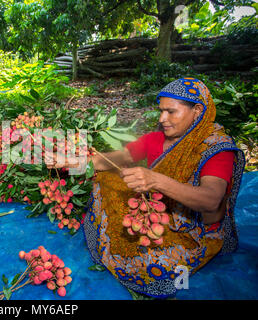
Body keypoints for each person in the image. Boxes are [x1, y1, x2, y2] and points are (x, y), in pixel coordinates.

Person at [53, 78, 245, 298]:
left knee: (156, 268)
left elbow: (211, 200)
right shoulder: (157, 139)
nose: (162, 119)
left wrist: (156, 181)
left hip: (195, 231)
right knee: (106, 179)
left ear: (198, 111)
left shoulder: (216, 149)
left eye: (171, 112)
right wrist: (72, 162)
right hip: (157, 213)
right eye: (161, 111)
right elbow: (121, 157)